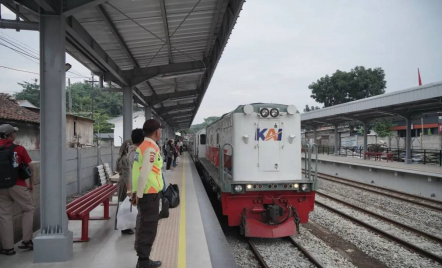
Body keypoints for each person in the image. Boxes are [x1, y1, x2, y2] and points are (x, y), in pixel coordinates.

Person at [131, 119, 164, 268]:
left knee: (144, 225)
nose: (161, 132)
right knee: (148, 228)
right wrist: (138, 195)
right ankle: (143, 262)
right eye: (160, 130)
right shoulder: (151, 148)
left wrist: (134, 192)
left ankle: (143, 260)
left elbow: (135, 171)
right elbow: (144, 173)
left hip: (145, 193)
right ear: (157, 132)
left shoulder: (142, 146)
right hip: (149, 194)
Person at [0, 124, 34, 256]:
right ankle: (26, 241)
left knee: (4, 216)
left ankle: (8, 248)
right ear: (11, 135)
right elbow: (30, 167)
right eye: (14, 133)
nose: (15, 135)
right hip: (18, 184)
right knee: (28, 209)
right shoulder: (18, 149)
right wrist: (31, 184)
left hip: (1, 187)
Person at [115, 139, 134, 234]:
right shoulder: (125, 159)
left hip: (121, 181)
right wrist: (129, 188)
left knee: (122, 203)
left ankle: (124, 226)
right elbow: (126, 175)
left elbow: (118, 170)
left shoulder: (122, 157)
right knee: (124, 204)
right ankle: (124, 228)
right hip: (124, 183)